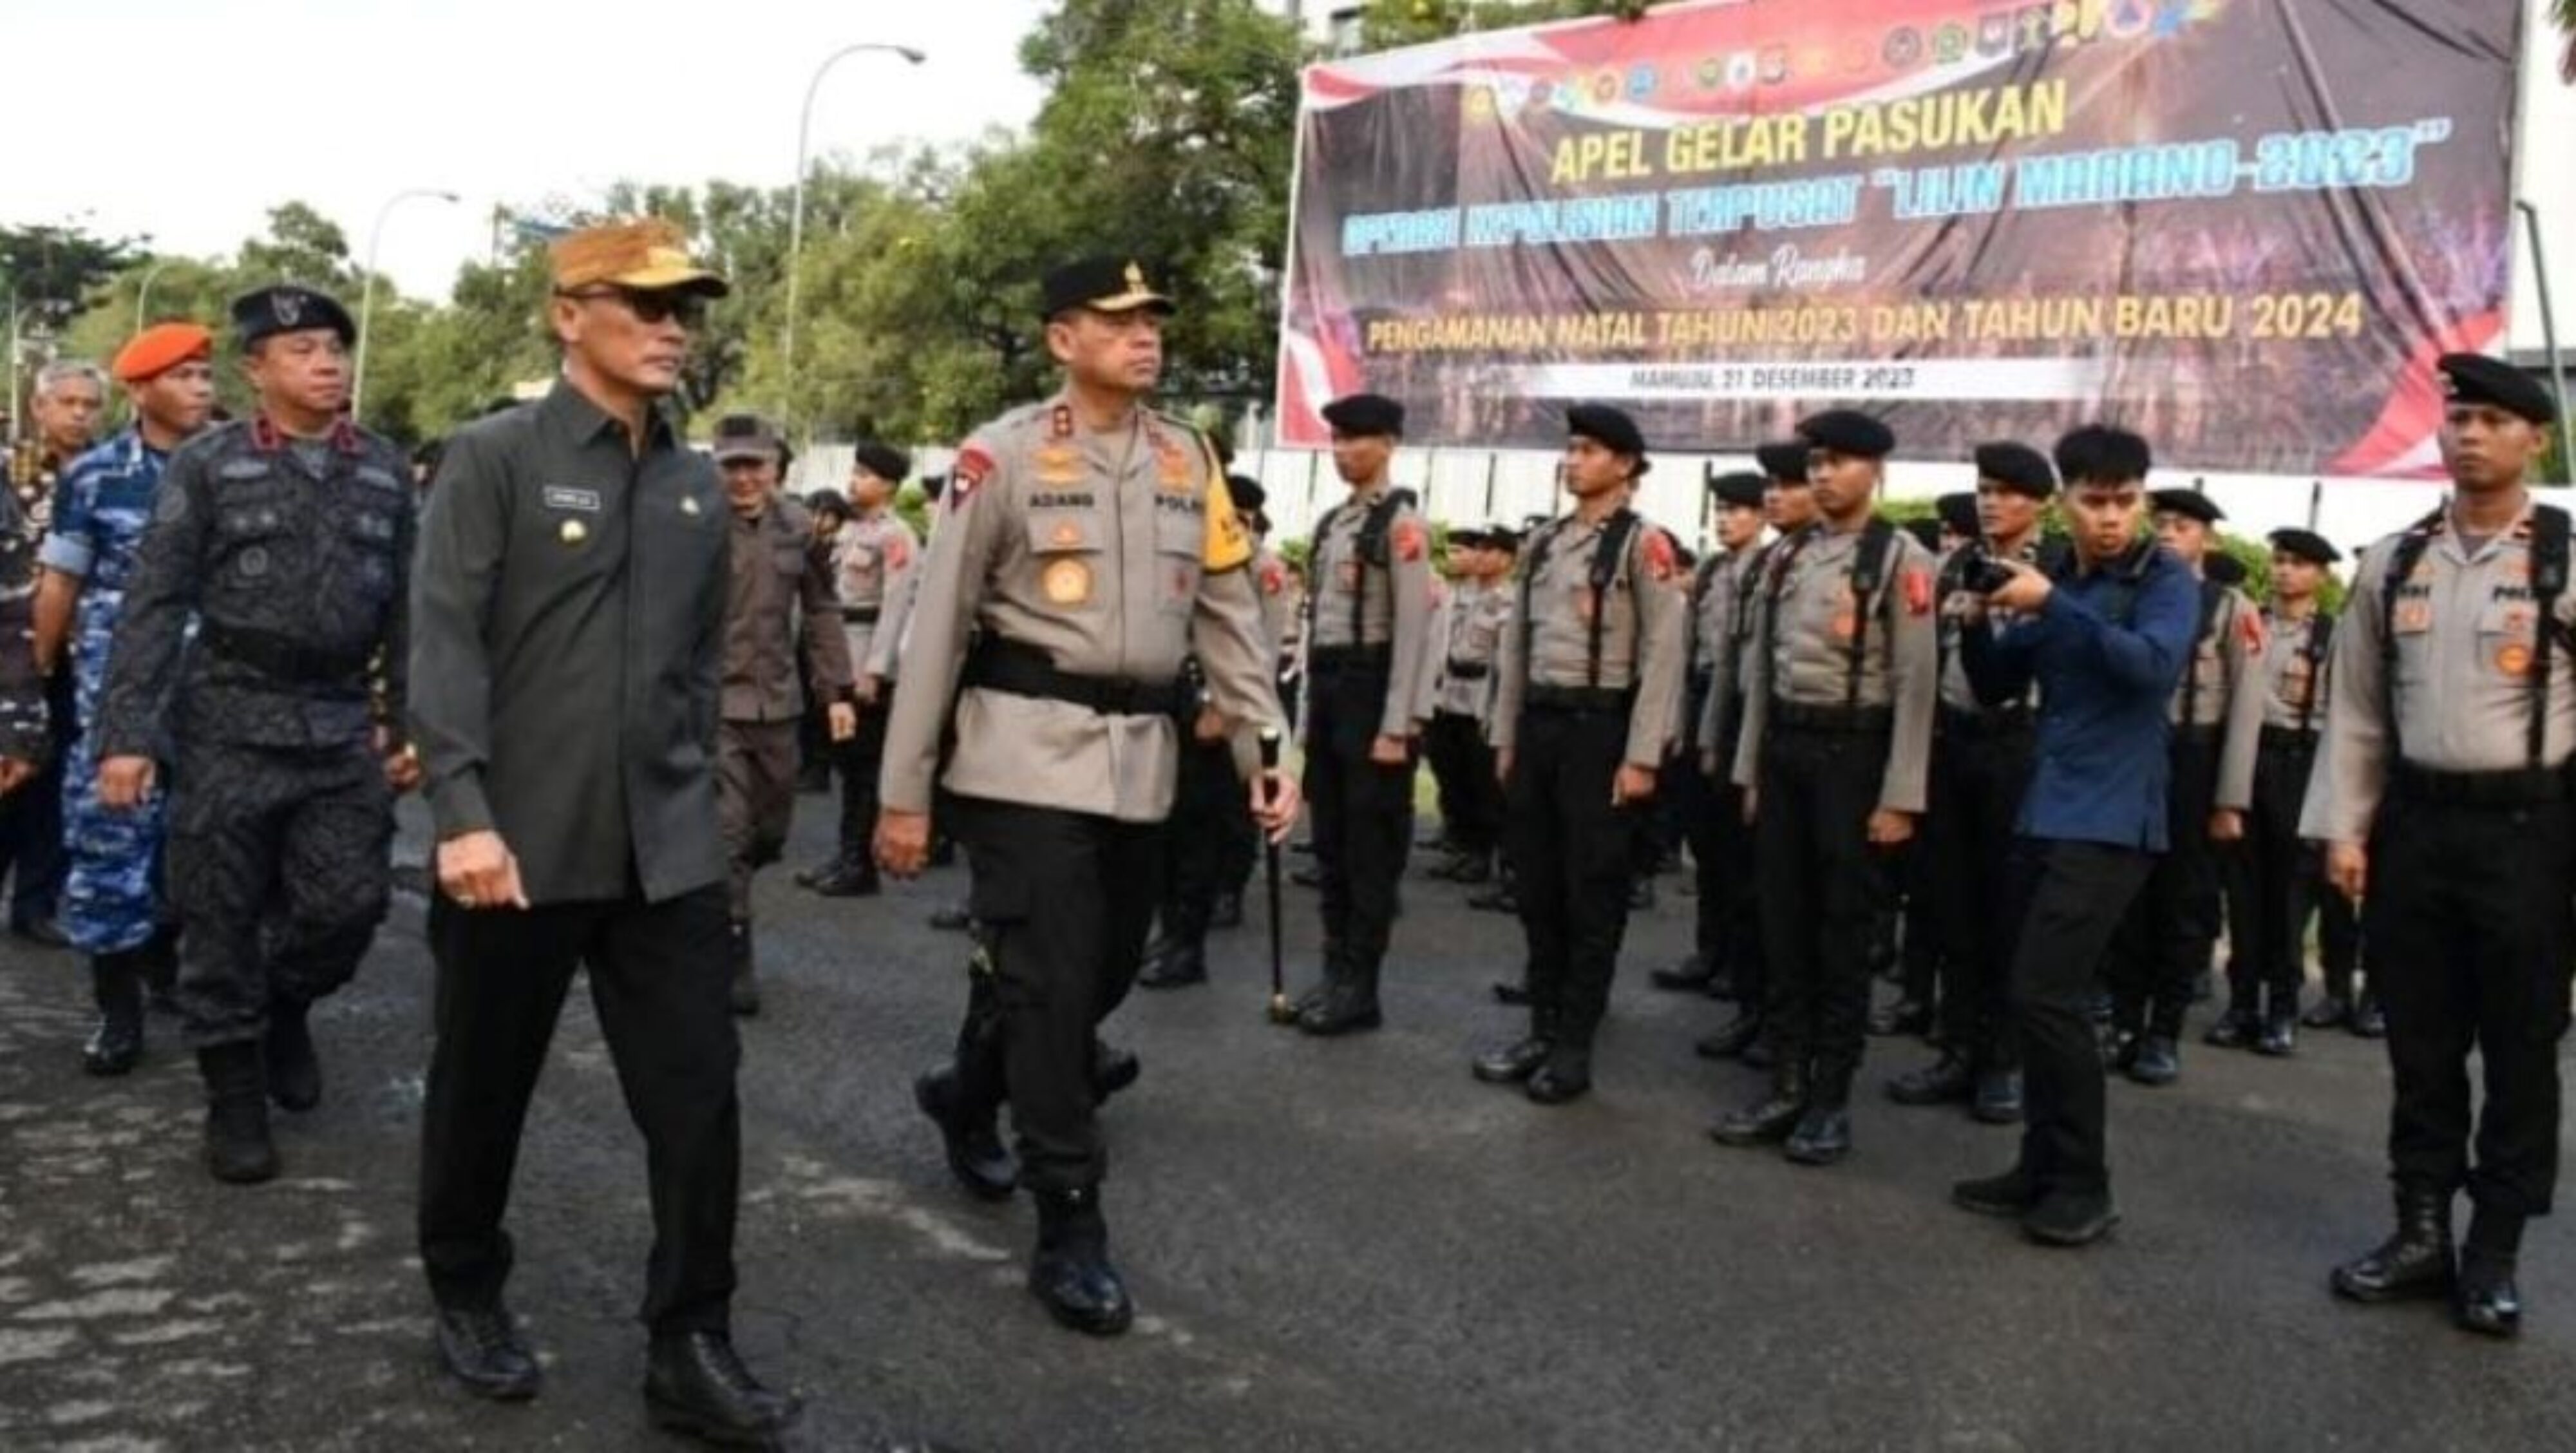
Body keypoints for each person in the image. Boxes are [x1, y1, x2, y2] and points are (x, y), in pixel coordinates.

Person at [409, 219, 800, 1441]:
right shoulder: (495, 458)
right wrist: (462, 814)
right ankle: (467, 1290)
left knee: (700, 1099)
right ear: (568, 315)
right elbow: (444, 644)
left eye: (684, 306)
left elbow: (691, 666)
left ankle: (691, 1337)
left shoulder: (696, 483)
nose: (673, 325)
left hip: (666, 850)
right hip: (515, 847)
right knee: (485, 1086)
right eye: (642, 304)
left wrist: (707, 806)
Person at [876, 256, 1298, 1337]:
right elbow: (939, 631)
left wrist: (1266, 750)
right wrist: (904, 793)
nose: (1145, 336)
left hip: (1143, 762)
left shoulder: (1186, 457)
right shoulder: (1001, 457)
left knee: (1099, 975)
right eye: (1118, 321)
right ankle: (1071, 1223)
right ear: (1065, 340)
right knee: (1055, 988)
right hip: (1021, 757)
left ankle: (968, 1089)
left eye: (1153, 318)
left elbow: (1229, 615)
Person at [89, 285, 415, 1183]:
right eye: (304, 350)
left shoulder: (384, 468)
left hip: (340, 723)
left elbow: (409, 609)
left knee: (347, 905)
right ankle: (233, 1097)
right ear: (258, 369)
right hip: (228, 717)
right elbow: (153, 604)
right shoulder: (210, 464)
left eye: (335, 349)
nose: (328, 365)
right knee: (219, 914)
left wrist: (409, 719)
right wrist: (126, 736)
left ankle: (285, 1004)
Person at [2307, 354, 2570, 1337]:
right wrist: (2346, 826)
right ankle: (2421, 1233)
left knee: (2519, 1050)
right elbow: (2360, 711)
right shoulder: (2394, 559)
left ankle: (2494, 1251)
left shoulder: (2564, 560)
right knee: (2421, 1046)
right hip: (2417, 832)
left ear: (2532, 439)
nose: (2469, 436)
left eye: (2494, 421)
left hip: (2529, 836)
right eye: (2458, 418)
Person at [1949, 424, 2199, 1247]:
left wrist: (2051, 608)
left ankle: (2086, 1185)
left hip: (2113, 819)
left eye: (2125, 502)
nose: (2110, 519)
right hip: (2044, 807)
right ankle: (2039, 1167)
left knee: (2047, 994)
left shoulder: (2165, 580)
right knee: (2028, 991)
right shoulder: (2052, 573)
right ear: (2066, 503)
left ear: (2143, 500)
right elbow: (1995, 685)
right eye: (2093, 502)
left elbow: (2148, 670)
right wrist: (1979, 617)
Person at [1713, 411, 1935, 1165]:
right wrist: (1749, 771)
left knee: (1842, 932)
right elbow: (1760, 679)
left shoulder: (1900, 558)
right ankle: (1784, 1080)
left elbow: (1915, 686)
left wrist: (1900, 796)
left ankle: (1830, 1099)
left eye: (1839, 461)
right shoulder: (1788, 558)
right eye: (1815, 461)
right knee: (1781, 922)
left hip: (1856, 758)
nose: (1822, 473)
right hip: (1784, 754)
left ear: (1876, 471)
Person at [1469, 404, 1684, 1105]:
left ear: (1624, 465)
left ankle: (1573, 1045)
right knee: (1535, 885)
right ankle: (1541, 1024)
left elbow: (1662, 654)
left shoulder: (1640, 544)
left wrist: (1643, 754)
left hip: (1602, 731)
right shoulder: (1545, 543)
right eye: (1571, 449)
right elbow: (1516, 649)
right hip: (1540, 728)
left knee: (1590, 890)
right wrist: (1505, 735)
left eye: (1589, 451)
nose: (1573, 461)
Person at [33, 327, 216, 1074]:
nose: (203, 389)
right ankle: (118, 1009)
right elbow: (62, 583)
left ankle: (175, 968)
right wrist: (43, 681)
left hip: (220, 693)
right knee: (112, 846)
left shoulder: (241, 467)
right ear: (141, 391)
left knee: (205, 845)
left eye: (208, 375)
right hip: (120, 692)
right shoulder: (98, 476)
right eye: (185, 376)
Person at [1886, 444, 2058, 1124]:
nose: (1992, 503)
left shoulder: (2057, 572)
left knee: (2007, 913)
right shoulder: (1954, 564)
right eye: (1985, 490)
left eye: (2009, 492)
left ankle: (2001, 1062)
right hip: (1953, 742)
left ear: (2039, 502)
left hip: (2022, 749)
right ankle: (1957, 1047)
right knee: (1950, 905)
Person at [2101, 488, 2262, 1085]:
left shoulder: (2228, 605)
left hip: (2194, 757)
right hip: (2131, 753)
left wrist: (2230, 798)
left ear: (2209, 540)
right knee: (2123, 892)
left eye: (2185, 525)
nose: (2169, 532)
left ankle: (2163, 1030)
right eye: (2162, 522)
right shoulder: (2130, 592)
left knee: (2181, 898)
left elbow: (2246, 707)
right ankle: (2122, 1020)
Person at [1286, 392, 1434, 1035]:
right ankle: (1334, 971)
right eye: (1337, 440)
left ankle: (1361, 987)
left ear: (1388, 445)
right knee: (1332, 846)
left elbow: (1411, 635)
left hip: (1374, 692)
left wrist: (1395, 725)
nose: (1344, 450)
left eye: (1357, 439)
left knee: (1370, 850)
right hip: (1331, 693)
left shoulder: (1399, 524)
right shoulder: (1332, 525)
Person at [712, 415, 854, 1013]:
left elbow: (821, 607)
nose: (744, 478)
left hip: (780, 705)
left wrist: (838, 690)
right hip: (713, 705)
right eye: (732, 466)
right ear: (716, 467)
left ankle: (730, 892)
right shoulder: (689, 525)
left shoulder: (800, 527)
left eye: (756, 466)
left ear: (775, 468)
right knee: (728, 836)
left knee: (770, 833)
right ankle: (731, 951)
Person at [1690, 441, 1815, 1063]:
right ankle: (1750, 1005)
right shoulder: (1760, 566)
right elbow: (1733, 663)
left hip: (1803, 732)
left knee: (1783, 892)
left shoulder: (1803, 562)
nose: (1774, 496)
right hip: (1744, 717)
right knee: (1736, 873)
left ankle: (1783, 1022)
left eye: (1787, 484)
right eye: (1771, 485)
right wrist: (1717, 739)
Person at [2218, 526, 2343, 1056]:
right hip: (2248, 759)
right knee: (2243, 893)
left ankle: (2283, 1009)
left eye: (2298, 563)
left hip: (2299, 762)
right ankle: (2242, 1003)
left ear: (2319, 575)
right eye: (2280, 560)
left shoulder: (2331, 635)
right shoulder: (2251, 624)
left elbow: (2341, 720)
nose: (2284, 570)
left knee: (2291, 898)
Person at [2, 360, 105, 949]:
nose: (78, 414)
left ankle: (38, 902)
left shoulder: (112, 472)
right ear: (38, 407)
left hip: (84, 653)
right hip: (13, 650)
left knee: (60, 782)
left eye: (89, 404)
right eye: (66, 402)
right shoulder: (9, 472)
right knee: (11, 771)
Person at [1656, 470, 1766, 996]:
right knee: (1704, 837)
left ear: (1762, 514)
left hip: (1744, 706)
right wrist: (1680, 723)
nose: (1726, 519)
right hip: (1702, 699)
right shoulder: (1710, 570)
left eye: (1738, 510)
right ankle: (1708, 948)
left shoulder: (1770, 568)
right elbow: (1687, 651)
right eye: (1720, 510)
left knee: (1738, 848)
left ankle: (1737, 962)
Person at [799, 442, 914, 897]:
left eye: (865, 474)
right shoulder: (850, 531)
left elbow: (896, 608)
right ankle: (845, 853)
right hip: (839, 655)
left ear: (887, 484)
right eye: (855, 471)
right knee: (846, 764)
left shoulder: (897, 535)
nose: (854, 480)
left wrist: (876, 670)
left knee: (863, 767)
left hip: (866, 661)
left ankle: (859, 866)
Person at [1423, 527, 1511, 885]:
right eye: (1479, 550)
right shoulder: (1456, 596)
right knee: (1452, 776)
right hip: (1448, 694)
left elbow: (1506, 660)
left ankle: (1483, 854)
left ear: (1506, 558)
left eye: (1488, 551)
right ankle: (1460, 846)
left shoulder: (1510, 601)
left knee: (1482, 781)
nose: (1479, 557)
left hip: (1481, 695)